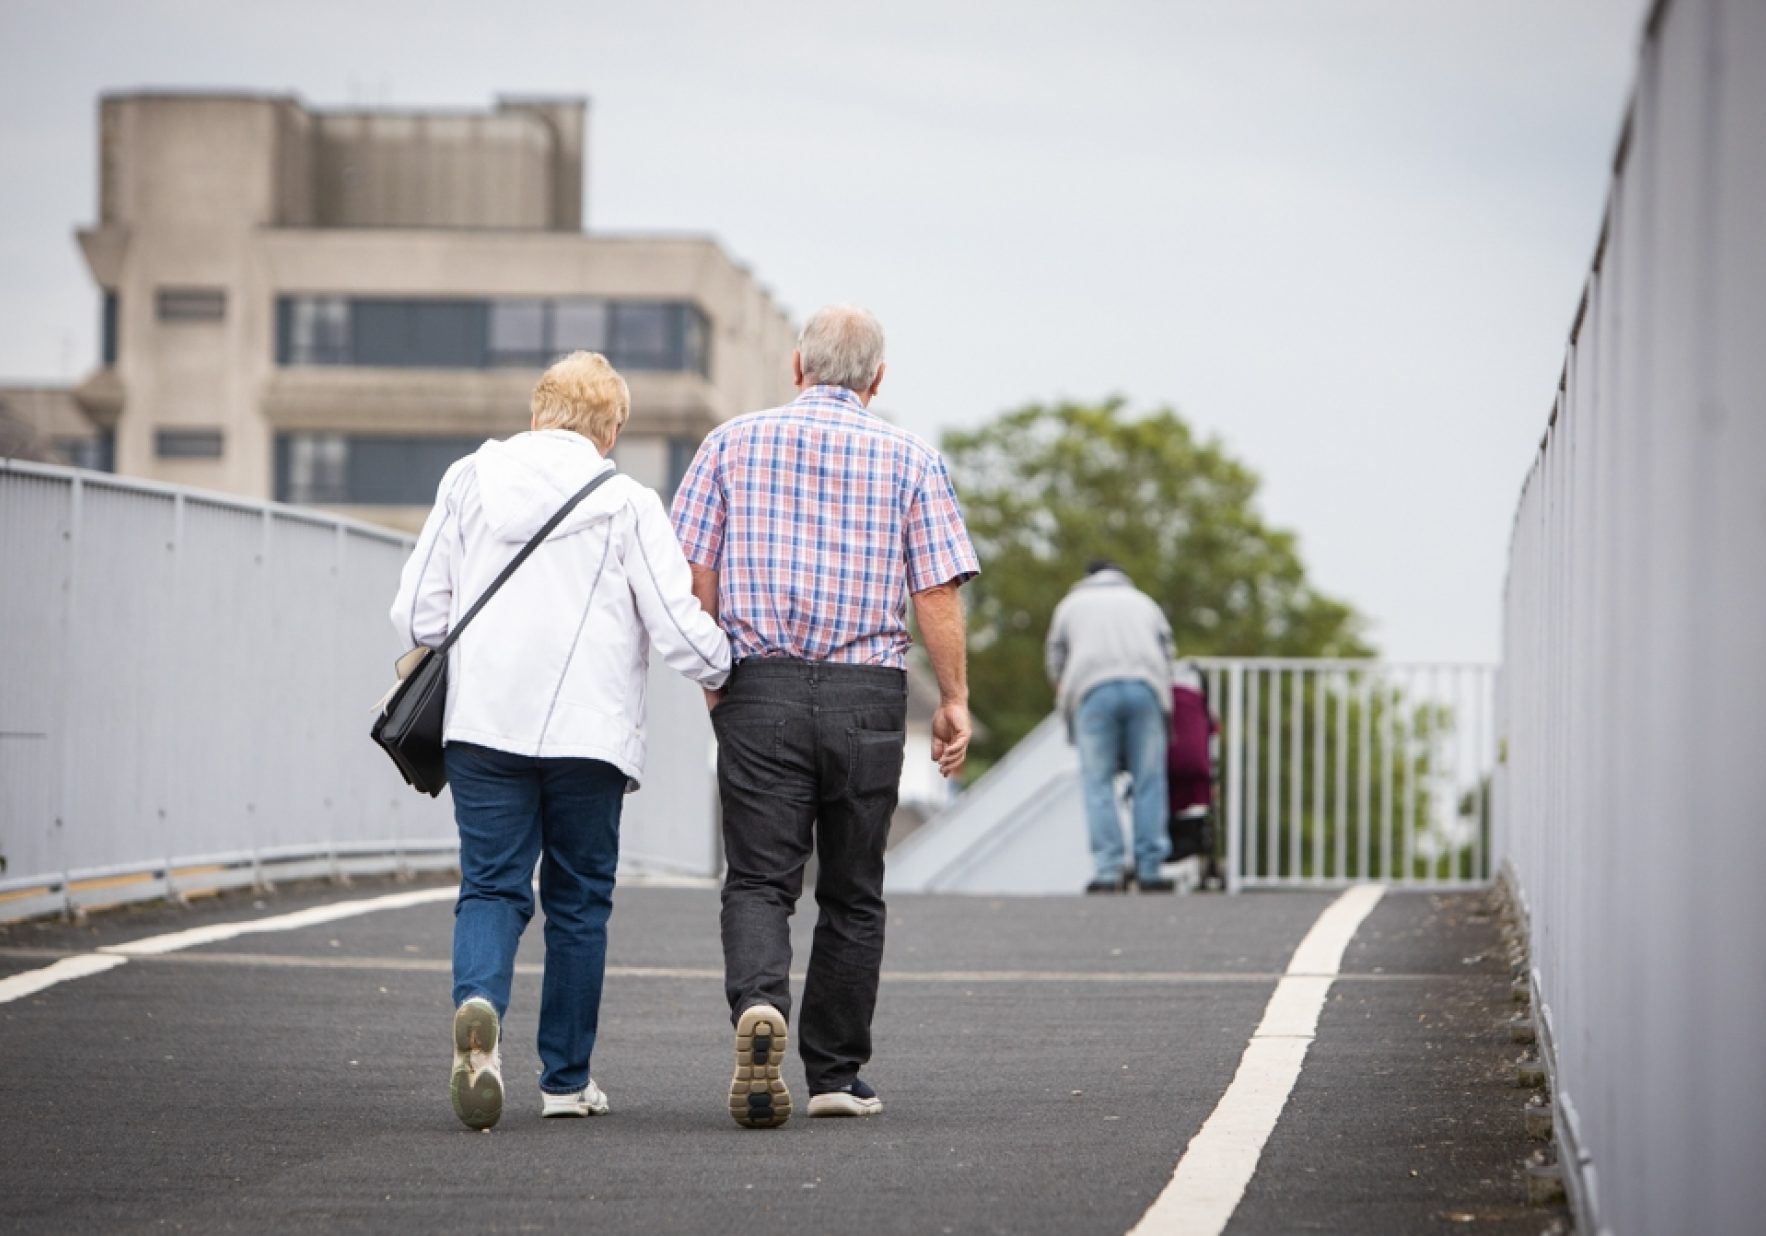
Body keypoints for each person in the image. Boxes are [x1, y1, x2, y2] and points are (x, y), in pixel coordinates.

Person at [390, 351, 732, 1131]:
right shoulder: (627, 501)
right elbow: (678, 625)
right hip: (591, 734)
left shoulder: (469, 479)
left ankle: (479, 1007)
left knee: (491, 886)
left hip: (483, 724)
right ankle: (567, 1082)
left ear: (539, 412)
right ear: (610, 432)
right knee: (578, 901)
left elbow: (416, 614)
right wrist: (726, 667)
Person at [671, 303, 979, 1128]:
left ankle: (758, 1009)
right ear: (878, 380)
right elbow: (937, 592)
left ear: (796, 367)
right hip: (866, 697)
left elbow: (694, 572)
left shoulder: (729, 444)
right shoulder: (911, 456)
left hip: (758, 686)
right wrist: (953, 699)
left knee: (761, 881)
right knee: (852, 890)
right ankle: (836, 1073)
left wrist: (715, 679)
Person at [1045, 562, 1175, 893]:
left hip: (1093, 691)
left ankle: (1108, 871)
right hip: (1145, 689)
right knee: (1149, 781)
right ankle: (1150, 870)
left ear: (1087, 577)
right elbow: (1167, 651)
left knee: (1097, 783)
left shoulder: (1071, 605)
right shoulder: (1144, 602)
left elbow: (1056, 657)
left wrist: (1064, 688)